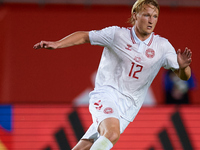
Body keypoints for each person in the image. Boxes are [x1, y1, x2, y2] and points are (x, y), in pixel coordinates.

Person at [33, 0, 192, 149]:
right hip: (106, 94)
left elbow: (185, 76)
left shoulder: (162, 46)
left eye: (155, 16)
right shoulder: (116, 34)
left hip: (130, 107)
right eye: (146, 15)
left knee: (87, 144)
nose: (151, 20)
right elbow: (84, 36)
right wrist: (57, 44)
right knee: (112, 134)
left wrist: (184, 67)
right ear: (135, 15)